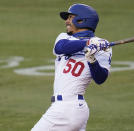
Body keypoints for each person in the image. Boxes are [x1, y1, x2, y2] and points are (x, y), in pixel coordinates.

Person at [31, 3, 112, 131]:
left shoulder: (102, 47)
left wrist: (91, 59)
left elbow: (100, 78)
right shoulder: (64, 37)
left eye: (70, 17)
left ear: (81, 20)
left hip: (68, 108)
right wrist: (87, 43)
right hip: (70, 109)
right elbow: (60, 48)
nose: (66, 21)